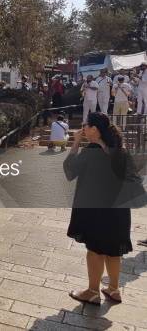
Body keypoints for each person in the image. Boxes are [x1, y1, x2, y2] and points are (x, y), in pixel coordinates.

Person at [64, 112, 134, 305]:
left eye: (86, 126)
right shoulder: (119, 150)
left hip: (97, 210)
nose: (83, 129)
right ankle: (114, 289)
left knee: (95, 249)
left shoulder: (91, 151)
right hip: (118, 210)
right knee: (113, 251)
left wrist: (75, 143)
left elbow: (69, 171)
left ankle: (92, 291)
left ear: (95, 129)